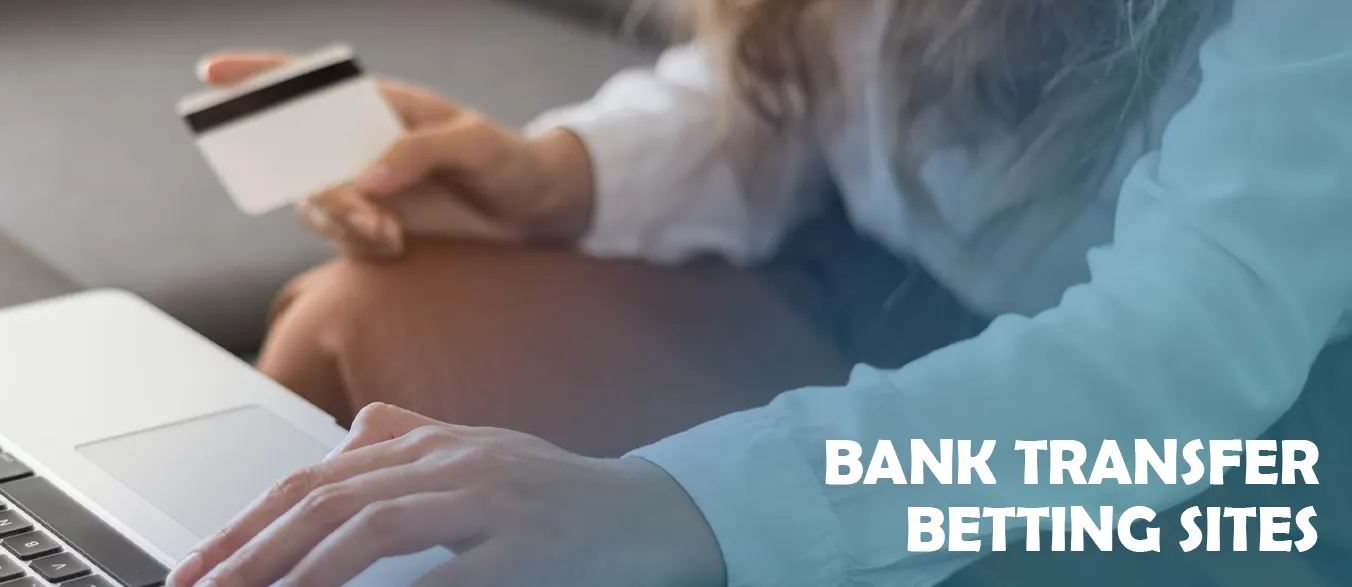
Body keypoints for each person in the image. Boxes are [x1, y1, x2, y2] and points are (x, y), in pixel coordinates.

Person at [168, 0, 1352, 585]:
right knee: (378, 308)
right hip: (885, 303)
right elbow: (799, 83)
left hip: (1211, 464)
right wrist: (550, 177)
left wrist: (688, 498)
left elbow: (1176, 355)